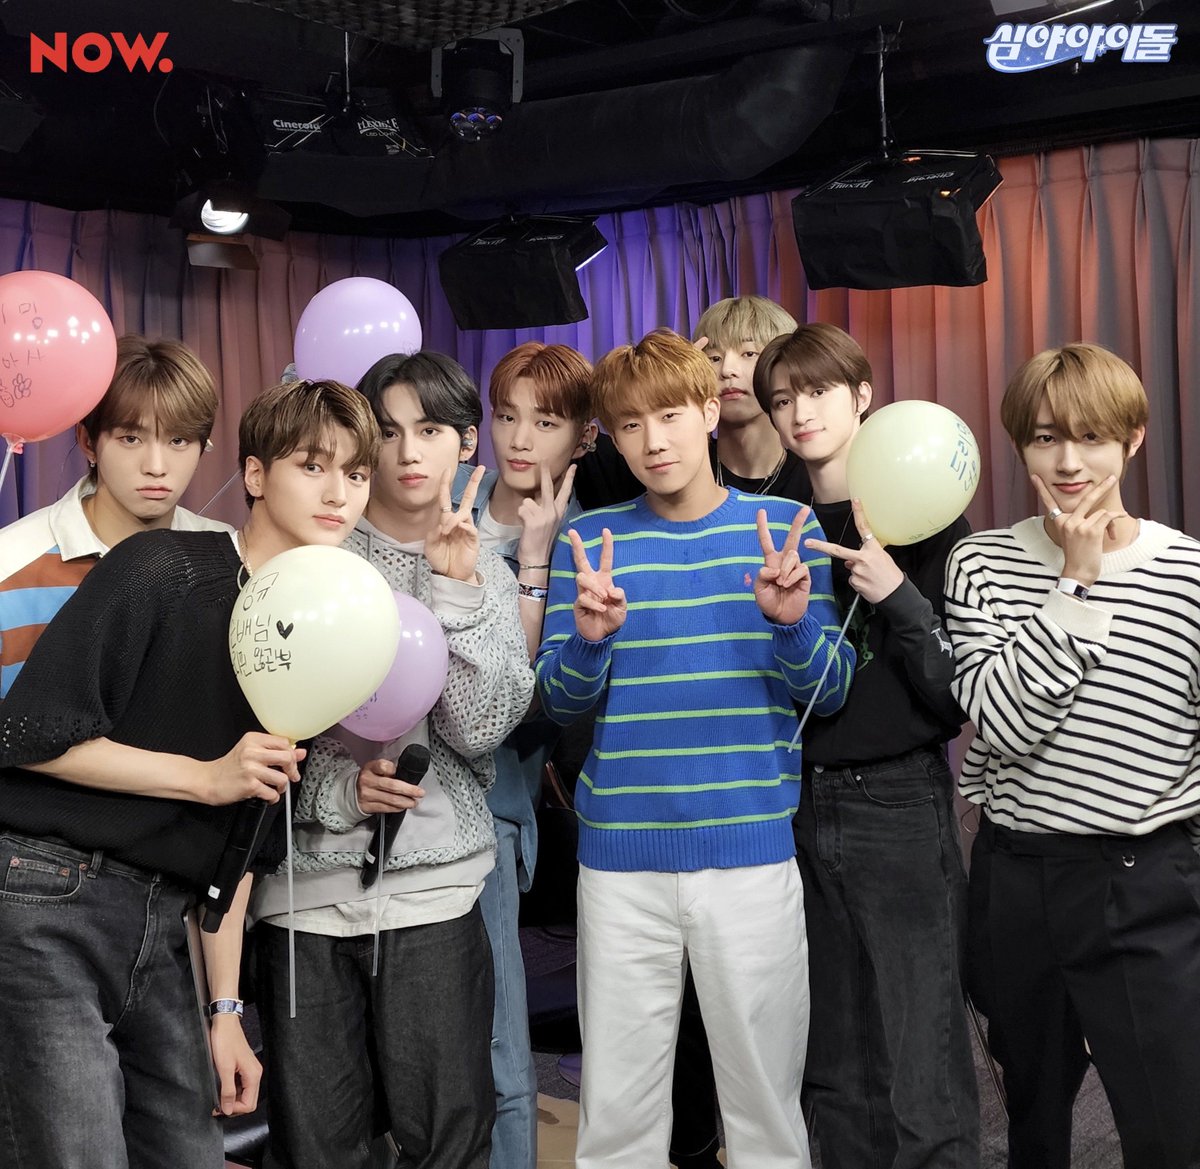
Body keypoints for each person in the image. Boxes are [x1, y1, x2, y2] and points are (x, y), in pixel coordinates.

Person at [0, 375, 380, 1169]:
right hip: (46, 893)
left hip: (164, 920)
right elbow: (24, 734)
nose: (337, 493)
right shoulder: (163, 566)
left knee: (188, 1154)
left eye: (355, 473)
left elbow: (239, 849)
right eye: (313, 465)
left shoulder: (323, 629)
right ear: (254, 475)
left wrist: (225, 1011)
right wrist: (203, 776)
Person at [535, 328, 854, 1169]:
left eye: (671, 415)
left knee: (765, 1112)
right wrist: (591, 641)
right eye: (630, 424)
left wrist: (792, 625)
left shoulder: (783, 526)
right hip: (620, 862)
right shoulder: (592, 542)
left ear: (711, 410)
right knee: (617, 1118)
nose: (653, 441)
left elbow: (829, 690)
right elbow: (558, 701)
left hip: (749, 855)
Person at [250, 351, 535, 1169]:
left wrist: (456, 591)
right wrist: (341, 792)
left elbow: (480, 729)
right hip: (304, 898)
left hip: (435, 894)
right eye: (389, 430)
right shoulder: (317, 552)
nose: (408, 452)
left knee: (448, 1138)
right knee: (318, 1145)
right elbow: (261, 723)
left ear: (465, 444)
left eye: (431, 430)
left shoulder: (486, 566)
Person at [944, 342, 1200, 1169]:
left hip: (1145, 875)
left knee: (1170, 1125)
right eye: (1045, 437)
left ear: (1133, 439)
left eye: (1090, 437)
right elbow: (1002, 723)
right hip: (1019, 874)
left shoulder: (1188, 574)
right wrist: (1075, 588)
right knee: (1034, 1118)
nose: (1066, 462)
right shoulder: (982, 562)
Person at [754, 322, 979, 1169]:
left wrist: (898, 597)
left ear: (862, 396)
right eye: (783, 398)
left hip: (900, 798)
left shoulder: (929, 519)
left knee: (924, 1053)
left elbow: (957, 694)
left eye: (817, 391)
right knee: (832, 1057)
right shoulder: (774, 524)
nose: (799, 412)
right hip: (797, 800)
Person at [451, 340, 595, 1169]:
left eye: (545, 422)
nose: (519, 437)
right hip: (393, 796)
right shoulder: (445, 503)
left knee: (502, 1035)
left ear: (582, 437)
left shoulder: (586, 544)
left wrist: (534, 558)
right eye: (507, 415)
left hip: (492, 807)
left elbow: (531, 702)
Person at [0, 334, 229, 697]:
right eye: (131, 439)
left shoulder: (228, 557)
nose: (156, 466)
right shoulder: (10, 563)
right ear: (88, 442)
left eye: (178, 440)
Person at [695, 294, 810, 503]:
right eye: (714, 358)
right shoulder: (681, 470)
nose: (727, 370)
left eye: (748, 354)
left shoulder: (812, 475)